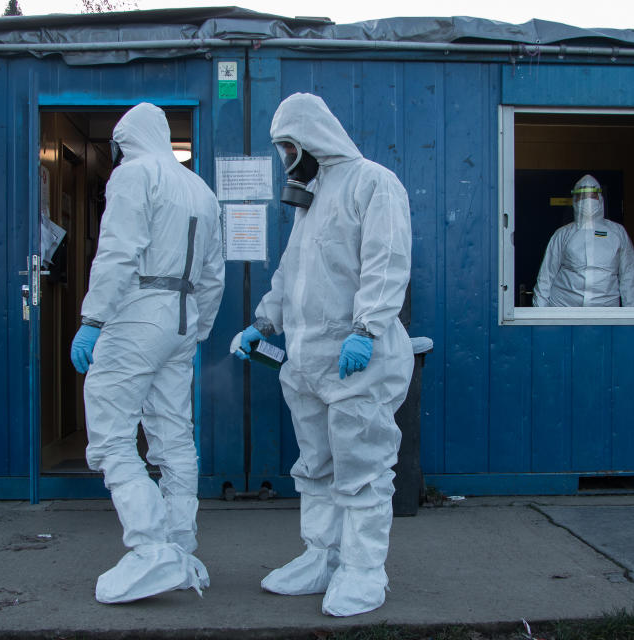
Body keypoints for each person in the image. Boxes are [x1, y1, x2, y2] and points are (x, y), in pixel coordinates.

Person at [233, 93, 413, 617]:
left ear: (314, 138)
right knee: (315, 466)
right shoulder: (309, 198)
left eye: (290, 145)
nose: (287, 156)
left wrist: (367, 328)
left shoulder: (372, 182)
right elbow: (293, 273)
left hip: (358, 354)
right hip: (308, 360)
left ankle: (363, 570)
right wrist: (264, 322)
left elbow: (387, 261)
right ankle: (323, 557)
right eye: (281, 148)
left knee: (362, 466)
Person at [69, 102, 225, 604]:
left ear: (124, 139)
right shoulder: (200, 189)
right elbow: (214, 274)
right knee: (175, 437)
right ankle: (181, 549)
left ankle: (149, 548)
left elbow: (117, 251)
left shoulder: (134, 175)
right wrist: (197, 328)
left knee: (113, 436)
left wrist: (93, 319)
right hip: (182, 317)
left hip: (137, 311)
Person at [533, 174, 634, 307]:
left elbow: (629, 276)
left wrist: (632, 316)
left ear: (600, 199)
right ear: (574, 200)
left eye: (592, 196)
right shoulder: (563, 234)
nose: (587, 201)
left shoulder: (617, 233)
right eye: (582, 196)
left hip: (605, 311)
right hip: (564, 308)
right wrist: (540, 314)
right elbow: (546, 276)